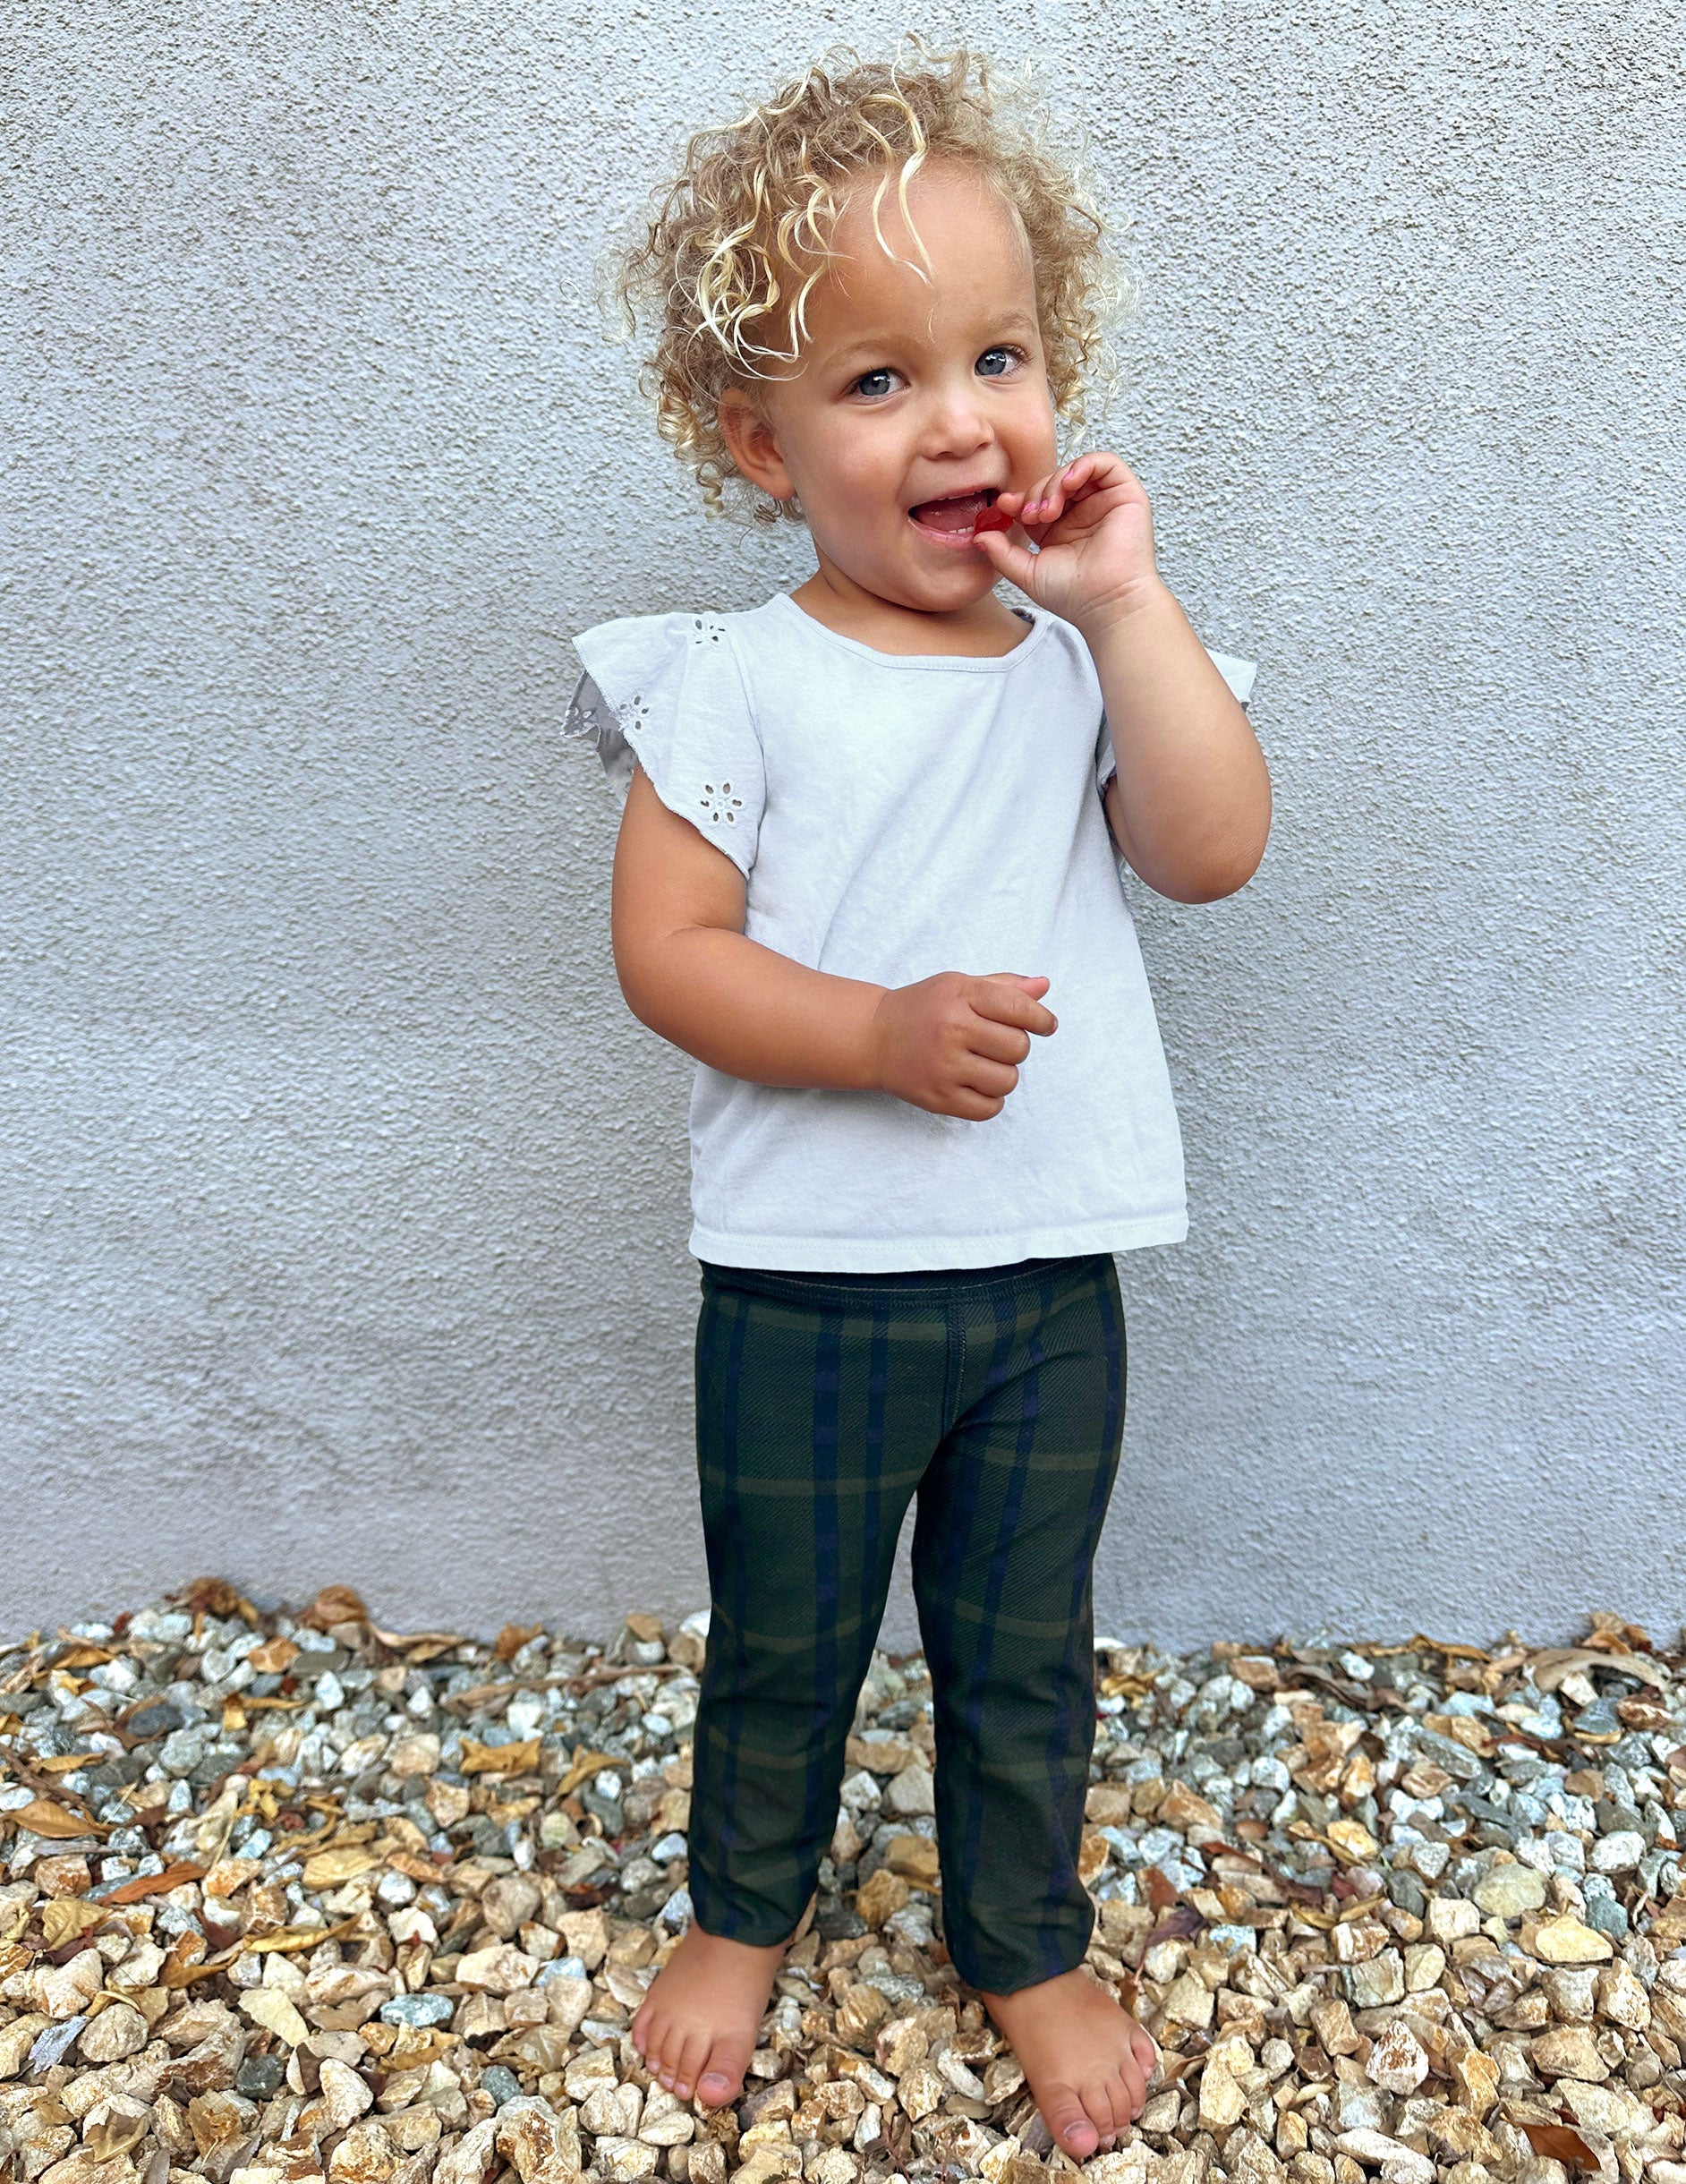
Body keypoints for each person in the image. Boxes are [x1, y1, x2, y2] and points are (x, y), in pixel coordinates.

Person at [563, 41, 1272, 2163]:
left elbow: (1216, 842)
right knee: (786, 1632)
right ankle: (741, 1910)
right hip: (808, 1282)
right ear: (753, 439)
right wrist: (874, 1033)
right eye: (877, 383)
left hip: (1051, 1274)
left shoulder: (1081, 650)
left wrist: (1127, 605)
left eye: (999, 354)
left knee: (1019, 1637)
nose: (960, 416)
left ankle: (1022, 1932)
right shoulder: (739, 675)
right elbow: (666, 954)